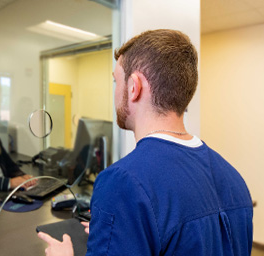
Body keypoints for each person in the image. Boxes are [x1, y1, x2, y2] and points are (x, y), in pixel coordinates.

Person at [38, 29, 253, 255]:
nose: (114, 91)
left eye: (115, 81)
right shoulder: (233, 180)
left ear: (134, 87)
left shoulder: (122, 184)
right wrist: (118, 233)